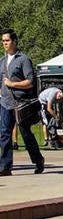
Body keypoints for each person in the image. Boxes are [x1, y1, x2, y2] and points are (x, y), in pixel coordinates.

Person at [0, 28, 44, 175]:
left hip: (21, 104)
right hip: (5, 103)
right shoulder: (2, 61)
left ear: (14, 41)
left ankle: (38, 160)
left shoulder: (23, 59)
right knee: (5, 134)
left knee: (25, 134)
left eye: (7, 40)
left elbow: (30, 82)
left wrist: (13, 85)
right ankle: (5, 166)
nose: (4, 43)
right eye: (3, 41)